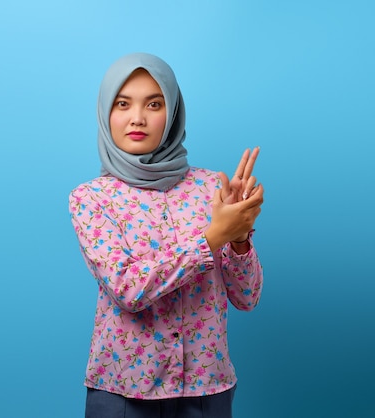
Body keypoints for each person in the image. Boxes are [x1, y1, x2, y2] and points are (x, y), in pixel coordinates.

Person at [68, 52, 265, 418]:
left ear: (172, 112)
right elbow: (127, 289)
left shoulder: (212, 189)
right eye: (123, 104)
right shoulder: (92, 198)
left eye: (154, 104)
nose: (137, 118)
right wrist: (211, 238)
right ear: (106, 112)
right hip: (124, 392)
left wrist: (238, 238)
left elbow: (247, 297)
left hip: (207, 389)